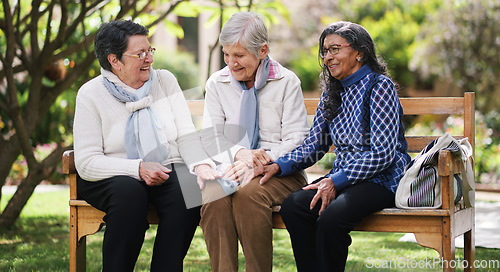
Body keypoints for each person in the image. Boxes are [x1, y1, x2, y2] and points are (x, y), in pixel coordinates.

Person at [260, 21, 411, 271]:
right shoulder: (332, 93)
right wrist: (277, 166)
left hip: (381, 180)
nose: (328, 57)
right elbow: (315, 146)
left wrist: (335, 181)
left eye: (335, 49)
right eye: (325, 51)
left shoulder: (379, 86)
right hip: (343, 179)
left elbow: (383, 154)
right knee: (295, 206)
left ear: (359, 52)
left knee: (332, 217)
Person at [73, 20, 220, 272]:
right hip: (111, 174)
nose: (148, 59)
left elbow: (185, 134)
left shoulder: (164, 81)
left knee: (189, 191)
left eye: (150, 51)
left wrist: (202, 165)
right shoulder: (91, 94)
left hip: (164, 165)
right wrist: (138, 168)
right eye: (139, 54)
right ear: (114, 61)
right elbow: (87, 163)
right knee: (129, 194)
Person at [199, 12, 310, 272]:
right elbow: (211, 135)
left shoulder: (286, 81)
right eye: (226, 54)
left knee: (249, 194)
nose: (231, 63)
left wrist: (261, 160)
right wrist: (241, 156)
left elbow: (298, 139)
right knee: (212, 196)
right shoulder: (217, 83)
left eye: (239, 55)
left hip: (280, 170)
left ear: (262, 50)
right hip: (232, 167)